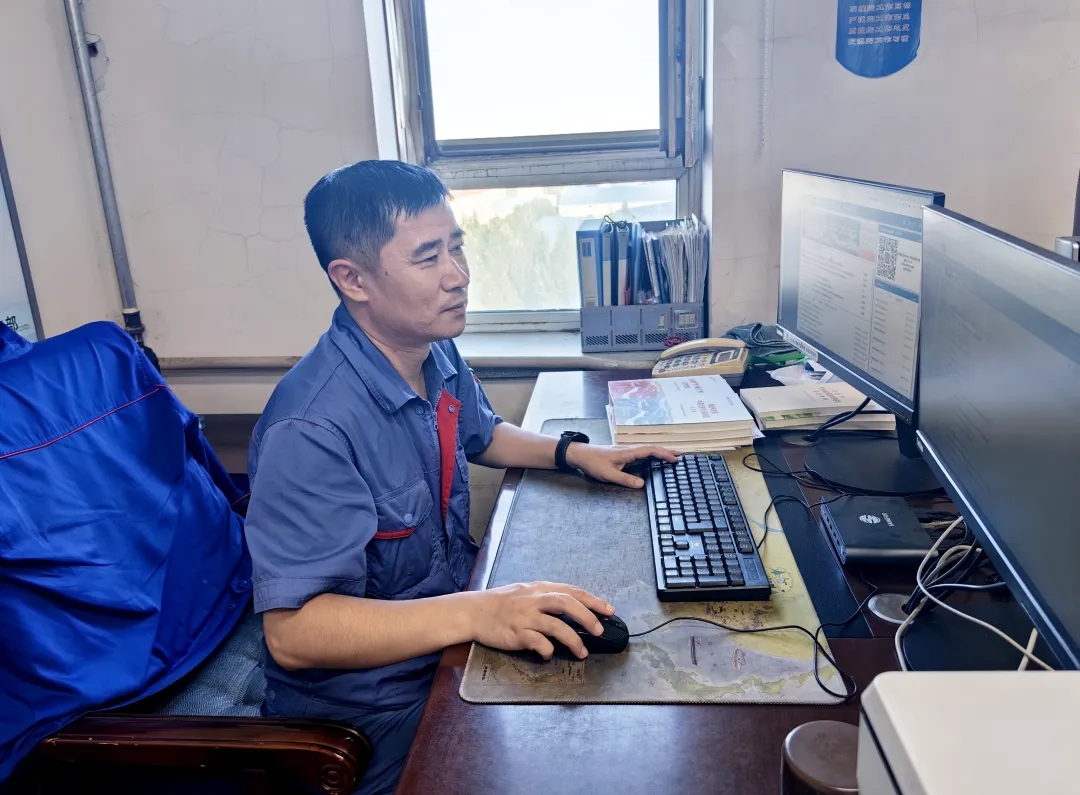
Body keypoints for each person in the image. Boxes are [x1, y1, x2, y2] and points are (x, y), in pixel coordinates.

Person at [243, 160, 676, 795]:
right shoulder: (309, 429)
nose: (458, 275)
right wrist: (479, 612)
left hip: (444, 650)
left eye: (457, 247)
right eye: (428, 257)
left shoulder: (429, 347)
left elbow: (482, 433)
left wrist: (576, 454)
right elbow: (295, 634)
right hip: (370, 715)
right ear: (352, 279)